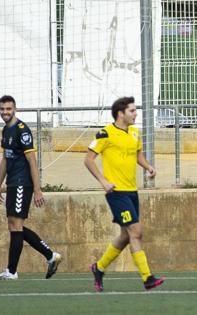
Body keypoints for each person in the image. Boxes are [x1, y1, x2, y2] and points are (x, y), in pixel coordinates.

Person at [85, 96, 164, 292]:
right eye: (132, 111)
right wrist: (103, 181)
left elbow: (137, 155)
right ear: (121, 114)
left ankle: (99, 267)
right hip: (116, 192)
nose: (135, 113)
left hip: (132, 191)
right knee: (136, 232)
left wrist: (148, 167)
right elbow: (88, 160)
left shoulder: (135, 133)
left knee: (125, 236)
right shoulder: (105, 134)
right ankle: (147, 278)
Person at [0, 95, 63, 280]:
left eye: (8, 109)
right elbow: (5, 160)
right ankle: (50, 256)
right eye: (2, 109)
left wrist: (38, 189)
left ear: (14, 109)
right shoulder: (6, 131)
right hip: (12, 183)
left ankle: (12, 271)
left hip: (23, 183)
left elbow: (32, 161)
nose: (5, 112)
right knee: (14, 225)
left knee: (16, 225)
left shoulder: (22, 130)